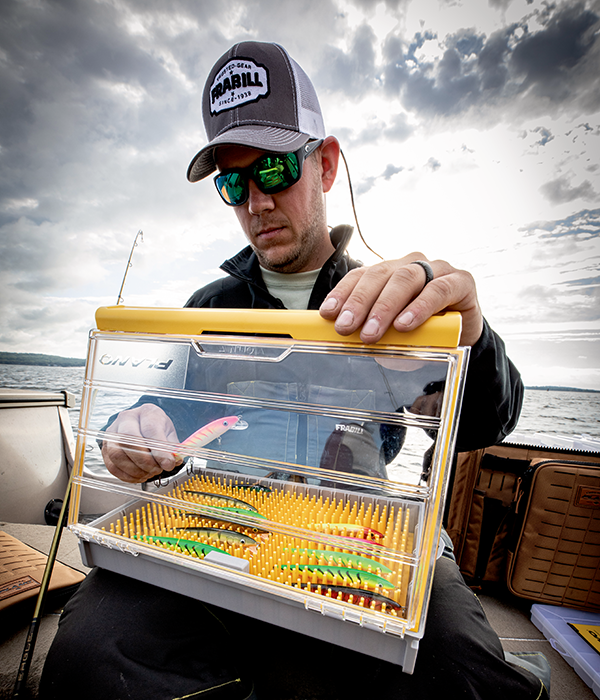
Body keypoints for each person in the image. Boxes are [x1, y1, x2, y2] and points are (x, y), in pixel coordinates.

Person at [40, 42, 549, 700]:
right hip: (225, 527)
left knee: (459, 669)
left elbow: (485, 422)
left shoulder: (400, 306)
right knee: (86, 655)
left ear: (327, 162)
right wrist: (131, 432)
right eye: (232, 182)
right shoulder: (209, 310)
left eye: (274, 168)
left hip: (365, 534)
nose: (255, 200)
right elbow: (162, 414)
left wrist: (470, 336)